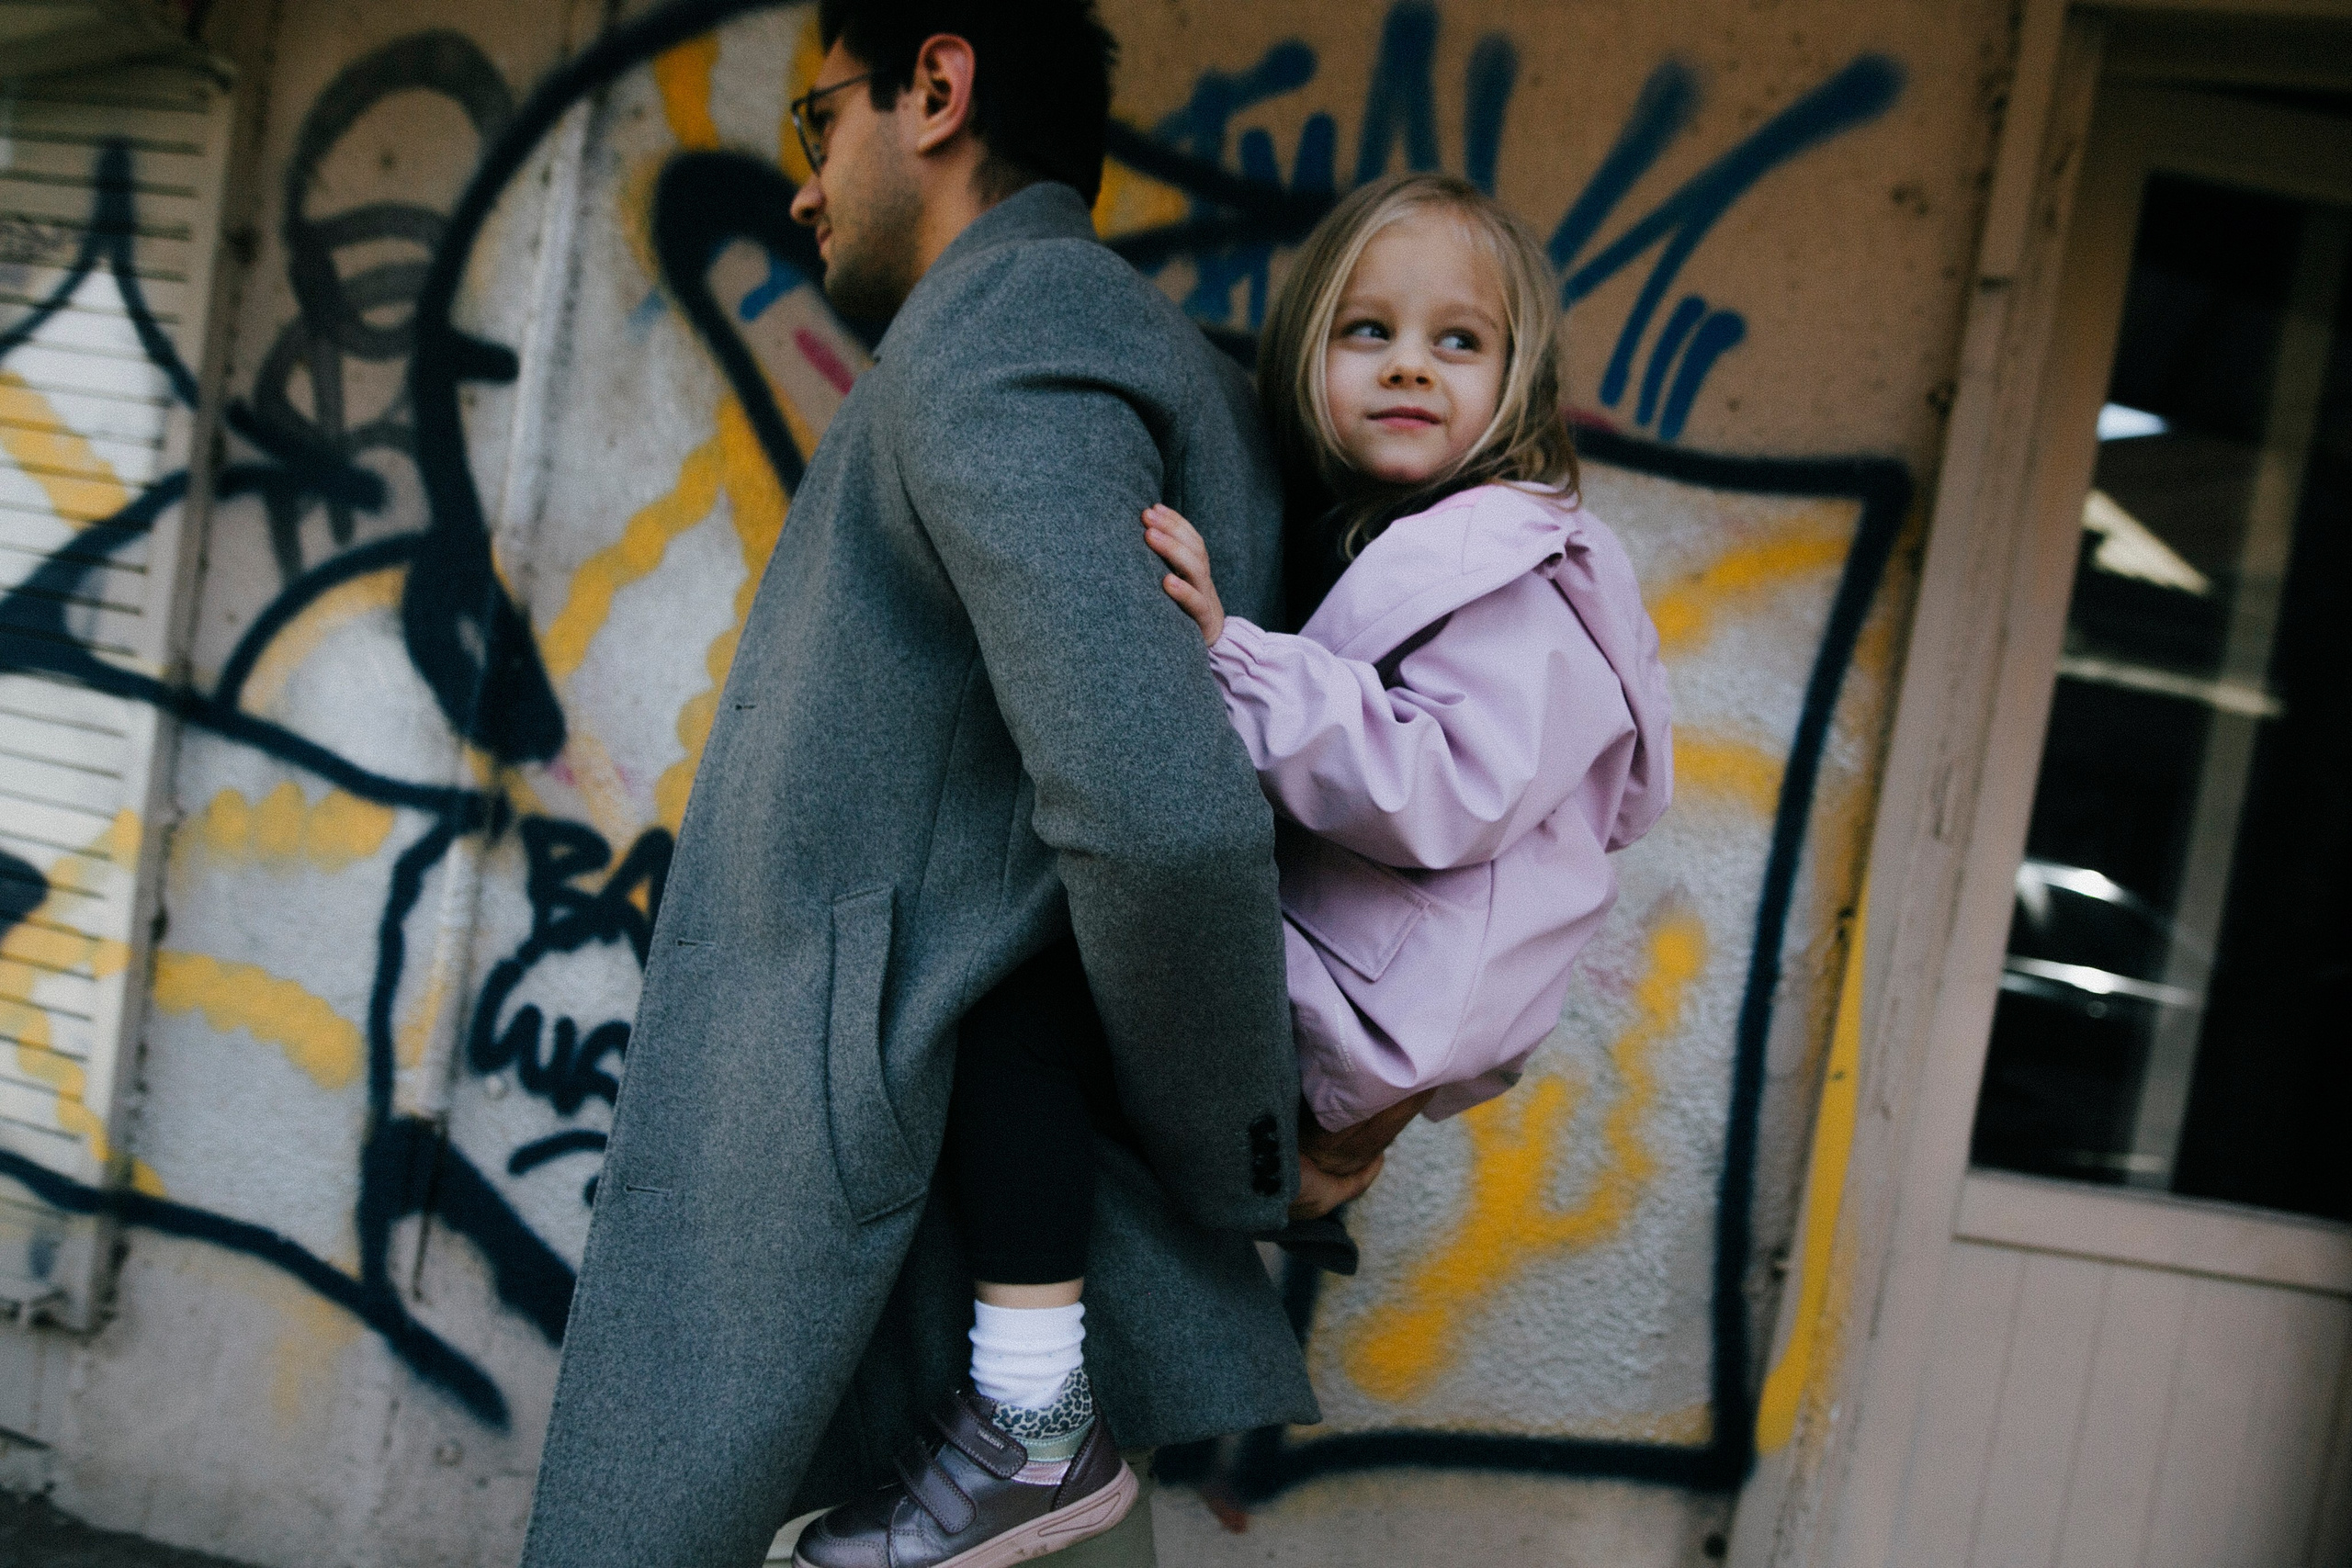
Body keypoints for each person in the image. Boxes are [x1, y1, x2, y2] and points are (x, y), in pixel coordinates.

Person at [518, 4, 1338, 1565]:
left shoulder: (1007, 328)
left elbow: (1160, 818)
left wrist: (1241, 1138)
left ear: (937, 88)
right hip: (989, 1276)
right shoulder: (1151, 358)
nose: (803, 187)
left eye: (819, 124)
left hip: (936, 1247)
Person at [797, 169, 1674, 1568]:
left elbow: (1446, 792)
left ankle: (1028, 1419)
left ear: (1517, 383)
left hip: (1360, 1011)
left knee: (1010, 1008)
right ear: (1308, 350)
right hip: (1372, 1006)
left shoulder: (1507, 577)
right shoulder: (1397, 541)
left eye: (1460, 342)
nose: (1408, 367)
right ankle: (1037, 1420)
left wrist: (1236, 663)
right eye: (1366, 332)